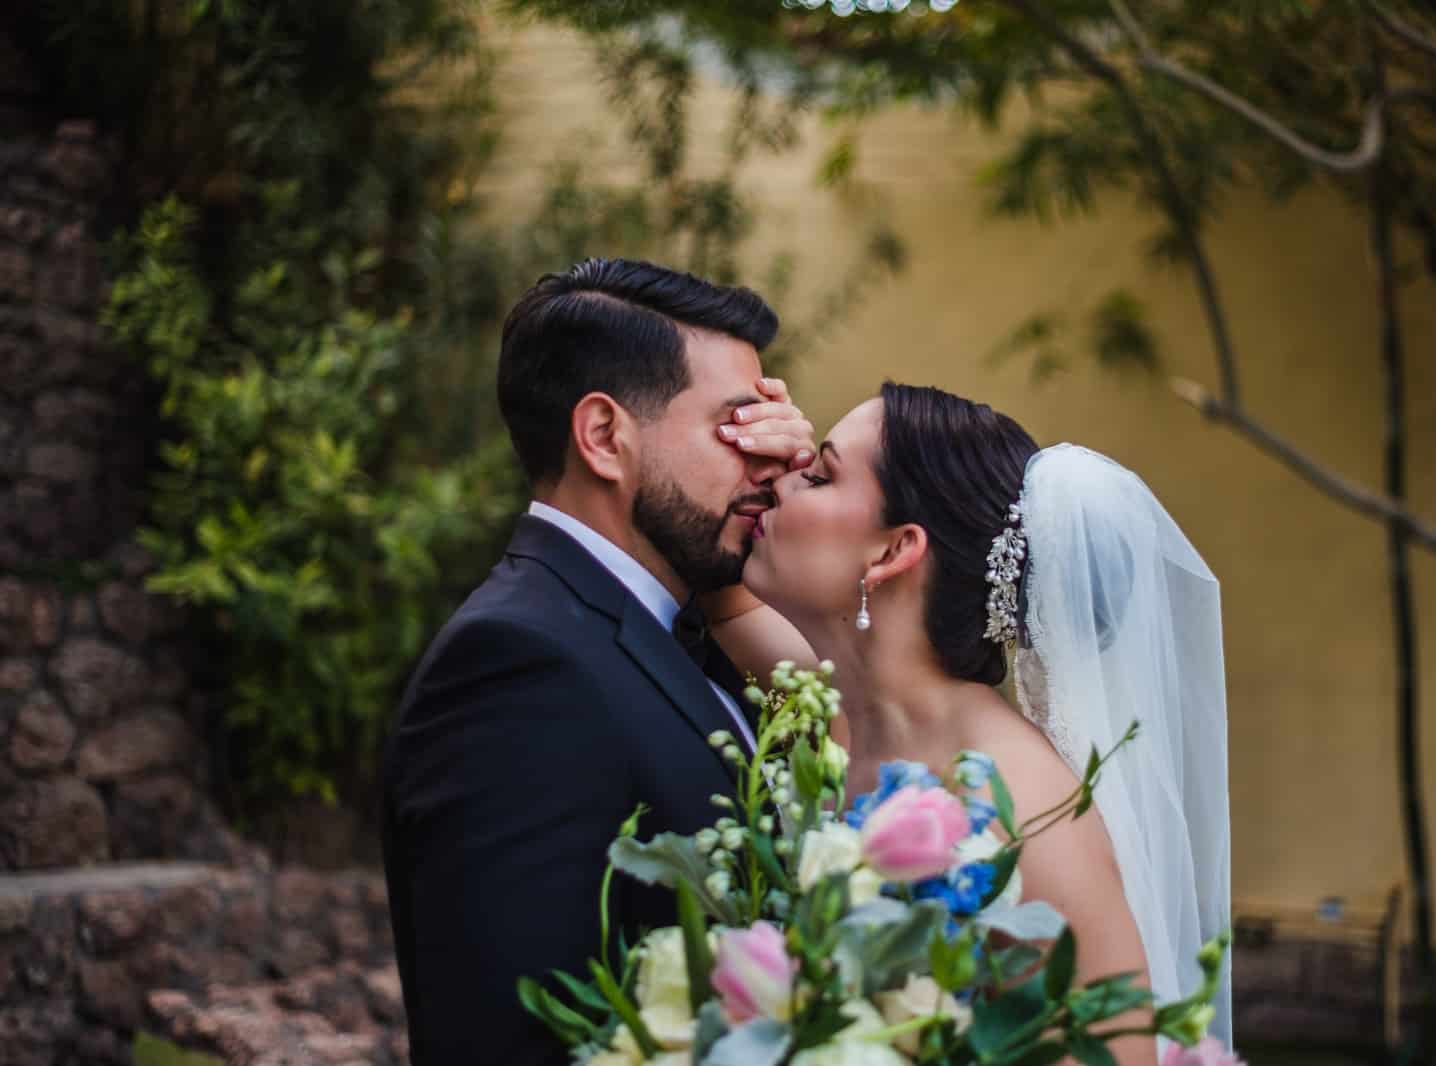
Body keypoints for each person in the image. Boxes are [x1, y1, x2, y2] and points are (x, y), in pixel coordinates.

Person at [709, 381, 1234, 1061]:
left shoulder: (1024, 809)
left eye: (819, 474)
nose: (784, 483)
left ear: (894, 551)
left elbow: (1114, 1052)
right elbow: (718, 596)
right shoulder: (831, 711)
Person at [380, 258, 815, 1066]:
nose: (769, 456)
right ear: (605, 437)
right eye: (734, 425)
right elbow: (510, 1032)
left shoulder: (696, 625)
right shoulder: (515, 665)